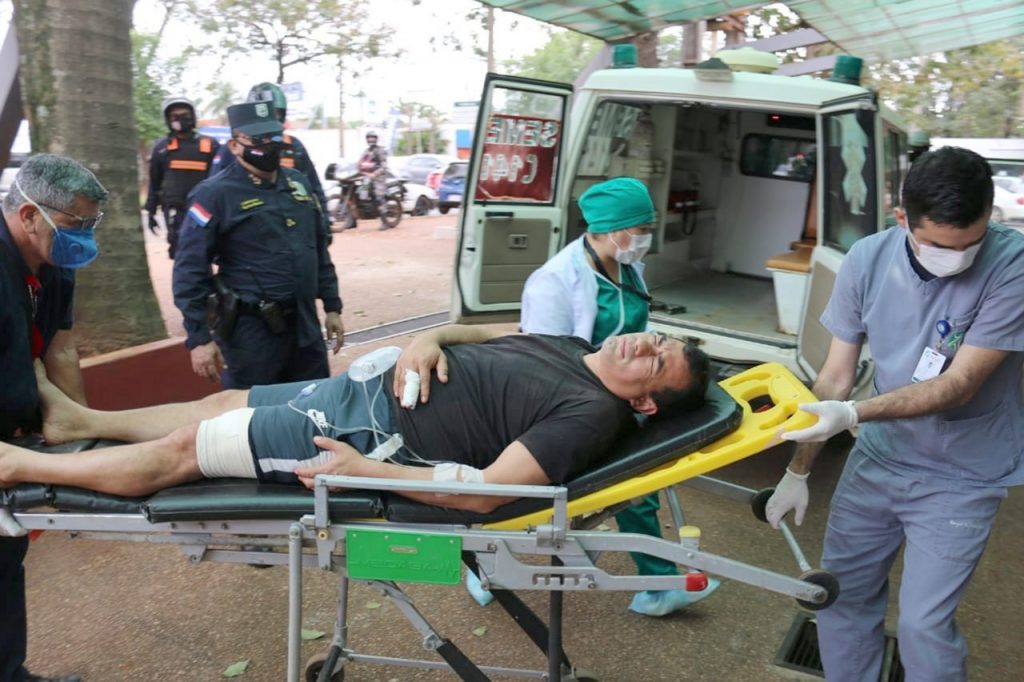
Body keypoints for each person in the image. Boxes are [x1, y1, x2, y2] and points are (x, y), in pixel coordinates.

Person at [764, 147, 1024, 682]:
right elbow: (835, 377)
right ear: (902, 217)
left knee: (924, 626)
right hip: (880, 459)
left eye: (971, 243)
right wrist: (798, 470)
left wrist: (852, 411)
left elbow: (959, 385)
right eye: (939, 246)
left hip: (963, 473)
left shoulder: (1012, 265)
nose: (958, 258)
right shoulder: (868, 258)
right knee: (840, 597)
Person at [0, 326, 709, 514]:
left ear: (645, 403)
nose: (643, 346)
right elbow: (476, 330)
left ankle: (19, 465)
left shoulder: (590, 414)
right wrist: (428, 339)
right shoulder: (573, 347)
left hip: (364, 436)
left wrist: (364, 471)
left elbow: (492, 491)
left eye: (656, 363)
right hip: (360, 390)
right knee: (220, 402)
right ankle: (76, 422)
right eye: (657, 339)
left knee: (190, 448)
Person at [509, 177, 719, 617]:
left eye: (648, 229)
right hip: (577, 402)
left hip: (623, 394)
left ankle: (656, 582)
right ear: (609, 229)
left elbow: (636, 327)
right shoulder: (554, 283)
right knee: (633, 485)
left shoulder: (627, 267)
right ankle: (658, 586)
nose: (646, 238)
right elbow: (543, 364)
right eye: (641, 229)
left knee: (642, 481)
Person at [0, 154, 108, 682]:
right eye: (74, 224)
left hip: (13, 437)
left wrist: (80, 435)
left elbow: (61, 349)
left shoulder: (54, 264)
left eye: (90, 225)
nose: (83, 238)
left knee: (5, 561)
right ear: (28, 215)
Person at [173, 101, 344, 390]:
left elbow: (317, 251)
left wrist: (332, 307)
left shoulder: (299, 185)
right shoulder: (214, 194)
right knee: (252, 412)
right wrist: (199, 338)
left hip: (305, 329)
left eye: (274, 136)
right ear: (234, 146)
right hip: (251, 335)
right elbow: (189, 269)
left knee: (314, 405)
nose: (269, 145)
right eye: (258, 140)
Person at [210, 83, 331, 238]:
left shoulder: (293, 146)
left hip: (293, 228)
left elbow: (314, 188)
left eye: (275, 114)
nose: (268, 120)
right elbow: (214, 193)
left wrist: (324, 225)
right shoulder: (235, 148)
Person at [143, 95, 220, 259]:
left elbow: (221, 179)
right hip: (174, 210)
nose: (180, 119)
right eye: (175, 116)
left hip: (205, 208)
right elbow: (154, 182)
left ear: (193, 116)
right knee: (179, 250)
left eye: (185, 115)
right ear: (168, 120)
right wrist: (151, 212)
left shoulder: (210, 145)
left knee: (205, 250)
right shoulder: (162, 148)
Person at [356, 130, 390, 230]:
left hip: (378, 178)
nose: (371, 140)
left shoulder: (380, 151)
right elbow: (359, 163)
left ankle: (385, 222)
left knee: (379, 197)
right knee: (359, 194)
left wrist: (374, 174)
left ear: (376, 139)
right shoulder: (366, 151)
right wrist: (358, 169)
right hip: (366, 177)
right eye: (369, 138)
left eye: (372, 138)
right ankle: (352, 221)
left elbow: (384, 166)